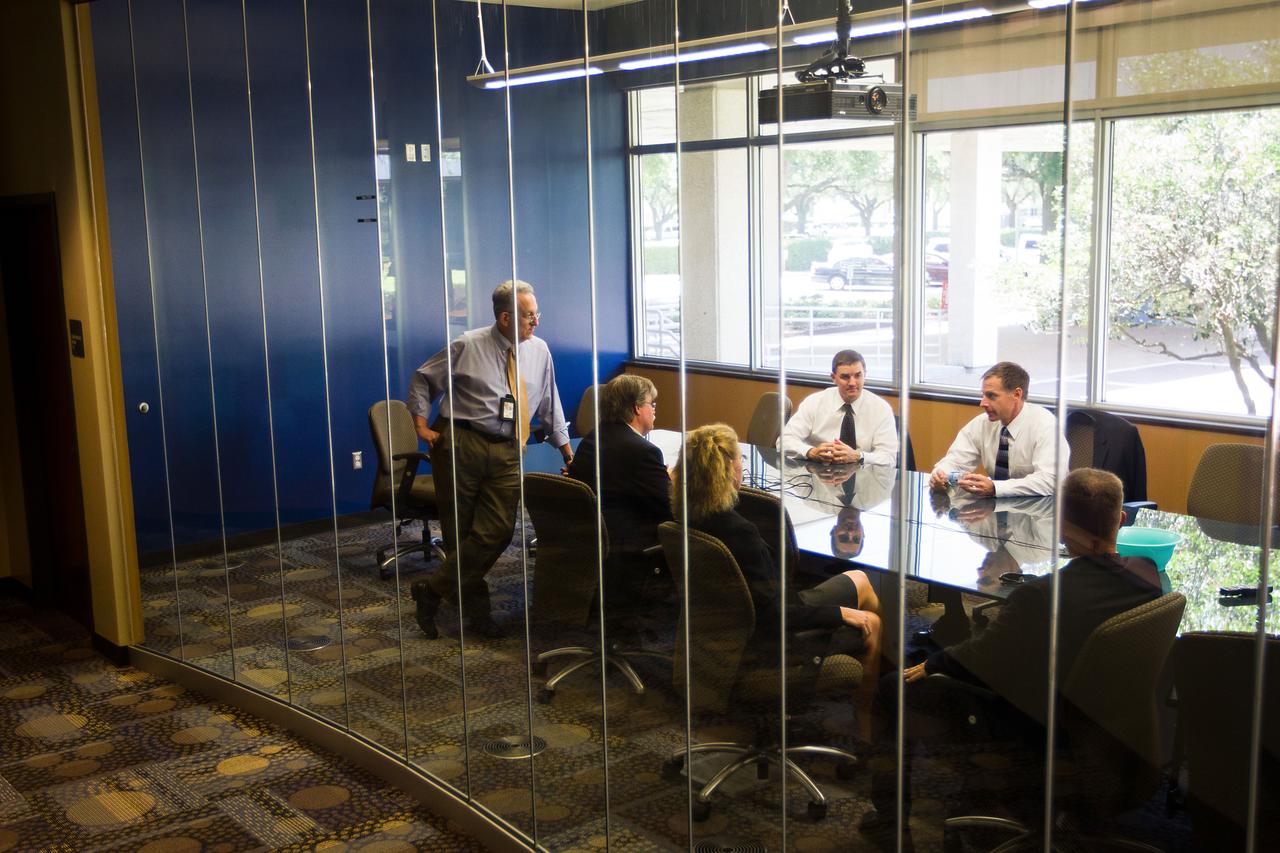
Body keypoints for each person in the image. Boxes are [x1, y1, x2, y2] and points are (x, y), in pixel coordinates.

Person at [865, 468, 1163, 843]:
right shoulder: (1147, 574)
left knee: (893, 687)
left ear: (1059, 524)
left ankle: (890, 828)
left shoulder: (1041, 597)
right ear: (1120, 520)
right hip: (1113, 732)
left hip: (1043, 730)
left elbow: (983, 657)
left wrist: (935, 662)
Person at [675, 423, 883, 735]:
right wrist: (839, 613)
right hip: (766, 644)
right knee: (872, 621)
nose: (742, 465)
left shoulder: (689, 513)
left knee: (859, 579)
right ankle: (867, 723)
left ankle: (886, 690)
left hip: (720, 636)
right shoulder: (740, 533)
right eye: (739, 458)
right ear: (726, 469)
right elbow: (775, 615)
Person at [406, 280, 572, 638]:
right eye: (529, 316)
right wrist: (420, 425)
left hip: (508, 448)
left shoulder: (539, 350)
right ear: (504, 318)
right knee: (461, 533)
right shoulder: (468, 345)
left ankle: (432, 589)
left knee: (497, 531)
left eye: (537, 314)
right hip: (461, 442)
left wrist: (566, 449)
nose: (536, 322)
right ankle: (478, 615)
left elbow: (549, 402)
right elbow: (423, 379)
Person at [928, 361, 1067, 497]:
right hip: (997, 506)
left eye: (991, 396)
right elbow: (955, 461)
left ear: (1017, 394)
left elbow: (1051, 480)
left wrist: (996, 488)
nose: (983, 403)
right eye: (983, 395)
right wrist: (940, 476)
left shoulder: (1045, 426)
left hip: (1042, 508)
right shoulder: (982, 424)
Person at [567, 374, 671, 554]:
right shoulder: (644, 451)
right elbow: (669, 507)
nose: (654, 410)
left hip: (591, 538)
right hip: (628, 545)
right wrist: (671, 478)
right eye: (651, 404)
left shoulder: (593, 438)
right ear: (637, 408)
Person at [780, 349, 900, 465]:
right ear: (833, 378)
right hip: (820, 474)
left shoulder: (881, 409)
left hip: (865, 475)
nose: (852, 383)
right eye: (845, 377)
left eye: (858, 376)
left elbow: (889, 458)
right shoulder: (814, 402)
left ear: (865, 375)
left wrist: (858, 456)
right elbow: (784, 441)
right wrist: (811, 452)